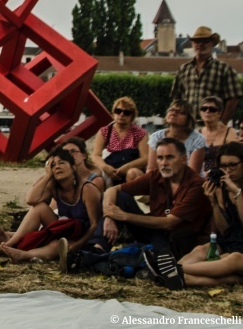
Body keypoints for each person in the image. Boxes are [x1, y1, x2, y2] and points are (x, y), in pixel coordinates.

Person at [83, 137, 211, 259]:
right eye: (160, 158)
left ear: (183, 159)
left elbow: (169, 223)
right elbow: (112, 190)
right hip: (156, 232)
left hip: (179, 241)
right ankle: (97, 248)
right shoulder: (156, 176)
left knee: (136, 255)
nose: (164, 163)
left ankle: (92, 258)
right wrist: (110, 215)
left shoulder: (196, 184)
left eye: (169, 157)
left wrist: (124, 216)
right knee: (121, 197)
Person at [0, 147, 101, 265]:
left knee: (57, 244)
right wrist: (47, 177)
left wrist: (77, 245)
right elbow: (31, 200)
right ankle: (9, 244)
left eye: (62, 163)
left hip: (83, 234)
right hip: (63, 227)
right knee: (39, 207)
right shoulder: (55, 187)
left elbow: (95, 225)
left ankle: (21, 254)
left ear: (73, 167)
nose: (57, 167)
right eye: (53, 165)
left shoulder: (87, 189)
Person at [173, 142, 243, 287]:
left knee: (232, 258)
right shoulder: (222, 188)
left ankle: (175, 269)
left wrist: (237, 193)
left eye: (233, 165)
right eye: (223, 167)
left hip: (239, 253)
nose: (228, 171)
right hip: (232, 242)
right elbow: (224, 230)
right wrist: (215, 203)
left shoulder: (234, 189)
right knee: (203, 250)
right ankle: (179, 276)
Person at [170, 26, 241, 123]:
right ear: (192, 44)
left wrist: (222, 124)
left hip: (212, 124)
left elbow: (233, 99)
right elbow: (177, 99)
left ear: (212, 44)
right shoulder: (184, 69)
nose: (200, 44)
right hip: (187, 125)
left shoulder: (224, 69)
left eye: (205, 41)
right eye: (197, 42)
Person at [134, 100, 205, 180]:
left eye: (180, 112)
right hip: (162, 181)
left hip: (189, 183)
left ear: (189, 118)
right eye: (171, 110)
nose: (173, 113)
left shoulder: (197, 139)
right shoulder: (156, 137)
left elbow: (192, 173)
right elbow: (152, 169)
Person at [91, 96, 149, 186]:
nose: (121, 114)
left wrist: (127, 167)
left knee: (133, 173)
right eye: (118, 111)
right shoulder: (105, 131)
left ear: (132, 116)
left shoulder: (140, 133)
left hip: (131, 168)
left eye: (126, 112)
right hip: (109, 168)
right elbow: (95, 155)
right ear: (113, 113)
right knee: (95, 177)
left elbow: (145, 158)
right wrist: (105, 167)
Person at [197, 96, 238, 178]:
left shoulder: (229, 132)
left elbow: (234, 158)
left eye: (212, 109)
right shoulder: (197, 133)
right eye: (204, 109)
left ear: (219, 113)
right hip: (200, 177)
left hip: (223, 176)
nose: (207, 111)